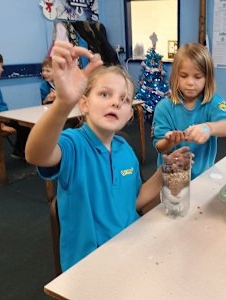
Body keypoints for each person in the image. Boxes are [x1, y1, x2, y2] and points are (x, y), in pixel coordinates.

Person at [25, 41, 192, 272]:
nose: (116, 101)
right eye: (105, 94)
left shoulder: (125, 150)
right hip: (90, 263)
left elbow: (135, 200)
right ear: (84, 103)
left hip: (131, 250)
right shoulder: (73, 143)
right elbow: (37, 154)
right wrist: (63, 103)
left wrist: (163, 171)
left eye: (124, 100)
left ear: (128, 115)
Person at [152, 43, 226, 179]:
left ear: (207, 79)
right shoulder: (164, 107)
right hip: (171, 176)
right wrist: (170, 141)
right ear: (175, 77)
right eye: (184, 76)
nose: (190, 82)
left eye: (197, 77)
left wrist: (208, 127)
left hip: (204, 176)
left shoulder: (213, 102)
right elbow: (159, 146)